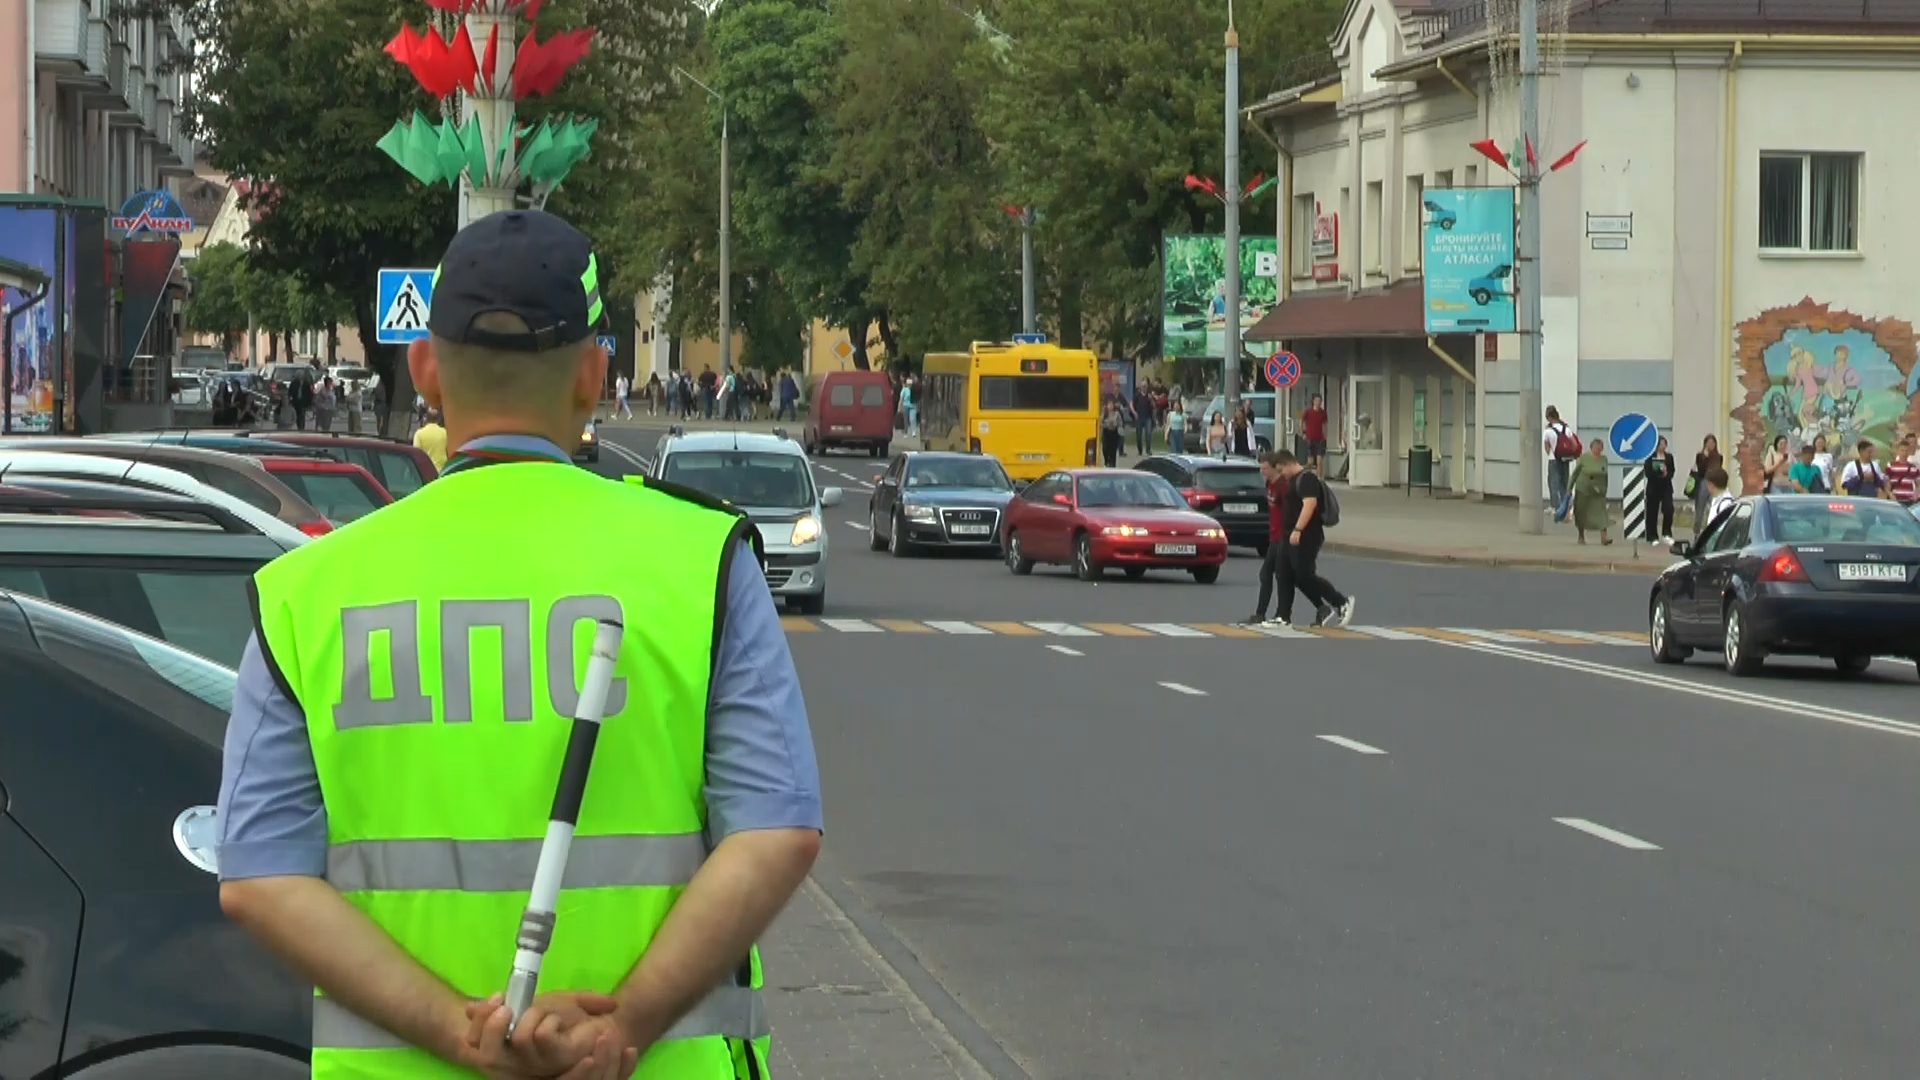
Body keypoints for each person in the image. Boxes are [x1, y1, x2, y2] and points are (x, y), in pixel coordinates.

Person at [214, 210, 822, 1080]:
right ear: (592, 375)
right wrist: (623, 1029)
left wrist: (454, 1030)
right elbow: (777, 831)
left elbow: (259, 877)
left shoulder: (312, 591)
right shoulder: (701, 563)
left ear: (425, 370)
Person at [1272, 450, 1355, 628]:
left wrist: (1298, 529)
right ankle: (1283, 616)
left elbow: (1310, 505)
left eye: (1281, 470)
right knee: (1284, 574)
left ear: (1288, 463)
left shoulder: (1307, 479)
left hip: (1305, 537)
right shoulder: (1292, 480)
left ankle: (1340, 602)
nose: (1281, 475)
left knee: (1304, 576)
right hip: (1288, 538)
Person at [1245, 451, 1294, 627]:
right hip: (1274, 537)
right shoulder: (1270, 484)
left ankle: (1280, 614)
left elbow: (1289, 509)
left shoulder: (1282, 486)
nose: (1262, 472)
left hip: (1282, 536)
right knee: (1267, 574)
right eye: (1261, 468)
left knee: (1279, 575)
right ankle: (1263, 613)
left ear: (1274, 468)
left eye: (1265, 468)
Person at [1567, 437, 1613, 545]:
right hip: (1583, 489)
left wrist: (1605, 489)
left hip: (1598, 492)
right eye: (1596, 447)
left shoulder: (1604, 459)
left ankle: (1604, 537)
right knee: (1581, 513)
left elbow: (1605, 475)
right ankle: (1581, 536)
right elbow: (1575, 474)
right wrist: (1569, 489)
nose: (1598, 449)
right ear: (1591, 447)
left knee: (1602, 513)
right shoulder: (1584, 458)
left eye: (1600, 448)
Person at [1543, 406, 1579, 523]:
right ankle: (1567, 508)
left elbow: (1547, 447)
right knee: (1565, 483)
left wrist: (1552, 453)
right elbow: (1574, 444)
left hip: (1554, 460)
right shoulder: (1566, 429)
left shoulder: (1548, 431)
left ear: (1548, 417)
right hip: (1565, 459)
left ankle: (1556, 508)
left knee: (1553, 483)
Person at [1687, 434, 1723, 538]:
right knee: (1700, 510)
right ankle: (1696, 534)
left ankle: (1712, 534)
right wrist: (1704, 457)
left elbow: (1719, 471)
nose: (1711, 445)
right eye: (1708, 443)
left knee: (1714, 509)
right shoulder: (1700, 456)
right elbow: (1701, 471)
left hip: (1715, 484)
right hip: (1703, 483)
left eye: (1713, 443)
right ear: (1705, 444)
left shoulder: (1719, 457)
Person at [1644, 434, 1676, 544]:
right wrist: (1657, 472)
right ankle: (1652, 536)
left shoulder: (1669, 457)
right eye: (1660, 444)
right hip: (1653, 487)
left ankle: (1666, 533)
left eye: (1664, 444)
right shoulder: (1650, 457)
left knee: (1669, 509)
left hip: (1666, 486)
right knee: (1652, 512)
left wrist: (1666, 473)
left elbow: (1672, 471)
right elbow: (1647, 472)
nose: (1662, 446)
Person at [412, 406, 449, 470]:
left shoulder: (419, 434)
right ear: (438, 419)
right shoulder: (445, 433)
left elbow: (415, 454)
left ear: (426, 419)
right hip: (442, 471)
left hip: (426, 471)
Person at [1301, 394, 1328, 474]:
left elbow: (1325, 424)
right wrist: (1303, 433)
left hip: (1320, 439)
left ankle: (1319, 479)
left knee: (1319, 461)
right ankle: (1308, 477)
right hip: (1310, 438)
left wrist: (1325, 435)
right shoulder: (1308, 412)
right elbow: (1302, 422)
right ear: (1313, 401)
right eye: (1316, 401)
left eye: (1320, 401)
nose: (1318, 402)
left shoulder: (1323, 413)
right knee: (1310, 462)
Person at [1099, 397, 1124, 467]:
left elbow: (1120, 424)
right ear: (1106, 406)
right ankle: (1106, 460)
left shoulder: (1117, 414)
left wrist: (1119, 430)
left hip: (1114, 434)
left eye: (1111, 404)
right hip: (1106, 433)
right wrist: (1105, 425)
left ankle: (1112, 464)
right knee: (1105, 449)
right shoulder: (1104, 414)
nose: (1110, 406)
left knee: (1113, 451)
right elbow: (1100, 423)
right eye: (1109, 404)